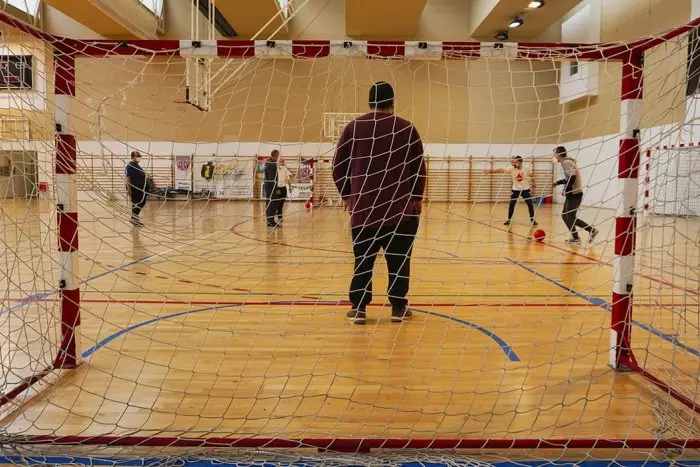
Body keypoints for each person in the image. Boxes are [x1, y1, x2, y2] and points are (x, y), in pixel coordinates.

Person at [332, 81, 426, 325]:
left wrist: (347, 195)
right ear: (392, 102)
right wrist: (416, 197)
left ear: (369, 101)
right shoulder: (406, 128)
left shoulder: (354, 127)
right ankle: (397, 308)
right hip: (400, 211)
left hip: (364, 210)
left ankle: (359, 309)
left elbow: (338, 167)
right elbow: (418, 168)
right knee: (399, 260)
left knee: (363, 261)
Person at [552, 146, 598, 244]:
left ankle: (591, 230)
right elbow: (568, 178)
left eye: (554, 153)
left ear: (559, 154)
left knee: (570, 217)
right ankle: (575, 237)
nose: (554, 156)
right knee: (565, 216)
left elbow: (572, 178)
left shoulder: (566, 162)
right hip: (572, 193)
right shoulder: (567, 162)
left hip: (575, 193)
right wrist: (558, 183)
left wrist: (565, 189)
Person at [486, 156, 537, 226]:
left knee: (530, 205)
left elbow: (532, 176)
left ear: (520, 162)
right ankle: (509, 220)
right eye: (513, 162)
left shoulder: (526, 168)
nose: (514, 163)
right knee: (511, 205)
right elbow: (501, 170)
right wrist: (491, 171)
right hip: (515, 190)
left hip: (525, 190)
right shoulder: (511, 168)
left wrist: (534, 187)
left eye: (516, 162)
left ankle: (532, 220)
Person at [125, 151, 149, 227]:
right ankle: (134, 219)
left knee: (139, 203)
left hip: (140, 189)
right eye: (137, 156)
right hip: (135, 189)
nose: (139, 157)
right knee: (138, 203)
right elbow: (128, 178)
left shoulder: (137, 165)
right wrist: (129, 190)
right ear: (132, 157)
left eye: (139, 156)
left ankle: (135, 219)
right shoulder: (130, 166)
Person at [263, 149, 282, 228]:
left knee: (270, 204)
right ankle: (270, 222)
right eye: (278, 156)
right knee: (272, 205)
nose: (278, 157)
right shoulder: (272, 164)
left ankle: (270, 221)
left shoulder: (268, 162)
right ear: (275, 156)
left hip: (269, 188)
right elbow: (272, 179)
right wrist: (276, 189)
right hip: (271, 188)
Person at [276, 159, 292, 223]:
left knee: (281, 203)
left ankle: (279, 216)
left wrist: (290, 187)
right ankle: (278, 216)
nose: (282, 163)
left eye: (283, 162)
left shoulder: (285, 169)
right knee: (278, 203)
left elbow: (288, 179)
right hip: (277, 188)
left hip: (283, 188)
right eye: (281, 162)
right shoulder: (275, 169)